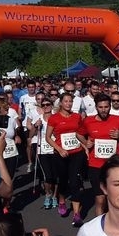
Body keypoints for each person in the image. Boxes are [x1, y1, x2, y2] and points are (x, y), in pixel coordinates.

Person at [77, 93, 119, 221]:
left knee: (114, 197)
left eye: (106, 107)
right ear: (96, 107)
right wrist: (86, 143)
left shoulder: (118, 120)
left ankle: (116, 222)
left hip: (114, 165)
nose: (103, 110)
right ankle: (100, 227)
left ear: (110, 106)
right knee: (100, 199)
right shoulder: (88, 121)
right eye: (100, 107)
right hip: (95, 165)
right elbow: (79, 134)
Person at [45, 93, 86, 222]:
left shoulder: (77, 116)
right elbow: (48, 137)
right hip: (61, 153)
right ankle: (61, 200)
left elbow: (80, 134)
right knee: (62, 181)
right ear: (61, 103)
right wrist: (59, 149)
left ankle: (76, 214)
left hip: (76, 152)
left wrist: (85, 146)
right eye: (66, 101)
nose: (68, 104)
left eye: (70, 101)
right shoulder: (54, 118)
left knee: (75, 181)